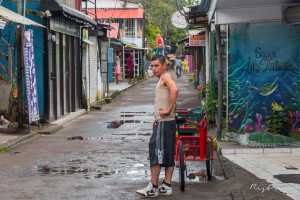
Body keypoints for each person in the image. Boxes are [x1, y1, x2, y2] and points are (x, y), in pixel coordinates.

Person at [136, 56, 178, 198]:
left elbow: (175, 90)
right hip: (165, 122)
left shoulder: (165, 77)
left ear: (164, 66)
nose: (153, 69)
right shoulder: (164, 77)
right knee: (166, 153)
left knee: (156, 153)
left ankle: (153, 188)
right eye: (152, 66)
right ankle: (166, 185)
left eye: (156, 66)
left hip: (165, 122)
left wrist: (168, 110)